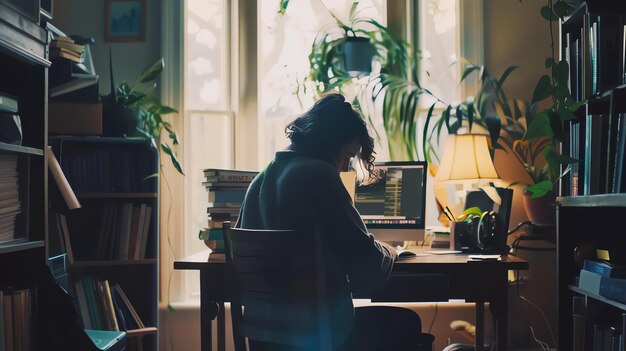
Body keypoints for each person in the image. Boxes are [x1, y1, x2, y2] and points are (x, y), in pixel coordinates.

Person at [236, 93, 430, 351]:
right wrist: (390, 251)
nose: (344, 167)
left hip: (265, 339)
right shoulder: (319, 174)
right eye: (348, 156)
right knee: (407, 322)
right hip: (318, 337)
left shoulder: (260, 180)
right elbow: (367, 267)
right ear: (332, 144)